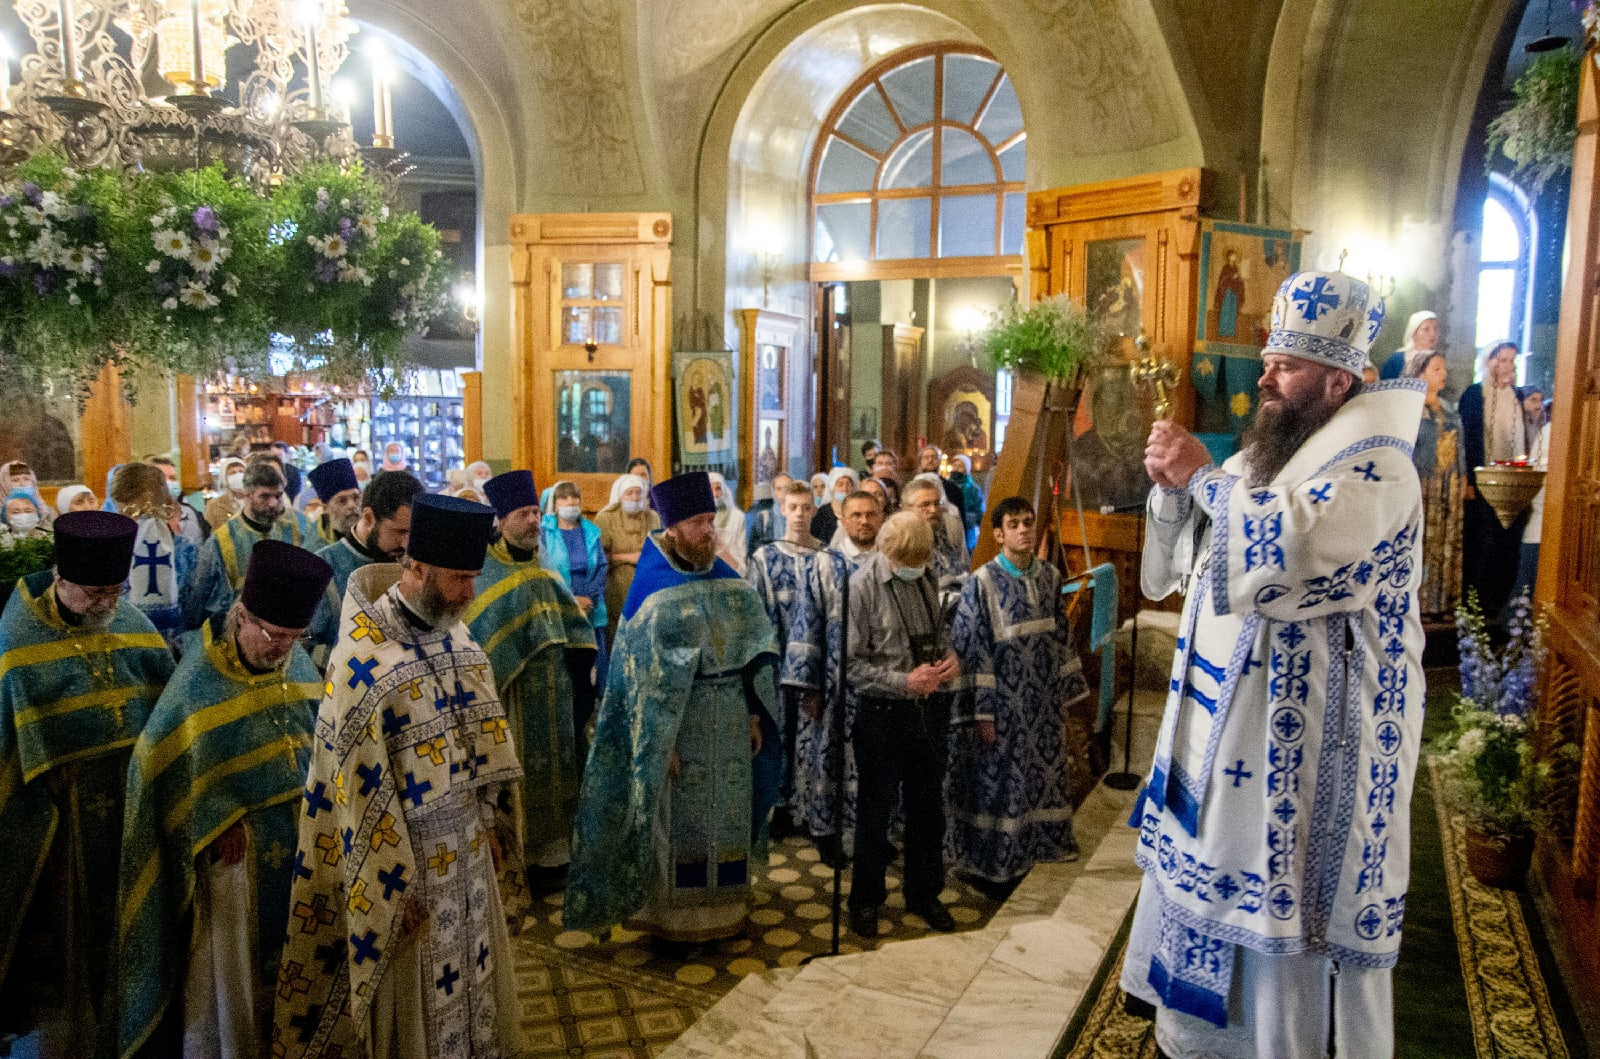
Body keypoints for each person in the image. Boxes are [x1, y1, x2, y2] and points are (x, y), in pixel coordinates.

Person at [1129, 270, 1424, 1056]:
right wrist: (1171, 490)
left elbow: (1290, 545)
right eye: (1268, 358)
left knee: (1283, 928)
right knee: (1225, 895)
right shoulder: (1282, 450)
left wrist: (1198, 474)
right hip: (1234, 748)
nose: (1264, 375)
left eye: (1285, 364)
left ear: (1338, 379)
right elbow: (1203, 556)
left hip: (1310, 761)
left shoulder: (1380, 466)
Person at [272, 495, 526, 1058]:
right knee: (417, 1002)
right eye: (459, 580)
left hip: (467, 849)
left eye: (474, 579)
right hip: (407, 866)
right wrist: (390, 883)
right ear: (417, 568)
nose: (469, 594)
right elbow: (352, 790)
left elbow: (480, 742)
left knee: (473, 979)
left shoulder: (455, 633)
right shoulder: (362, 658)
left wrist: (490, 821)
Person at [116, 541, 332, 1059]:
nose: (282, 648)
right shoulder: (197, 681)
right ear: (241, 615)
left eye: (293, 636)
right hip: (235, 870)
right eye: (272, 634)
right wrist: (210, 820)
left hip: (301, 846)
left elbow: (319, 746)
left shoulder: (297, 664)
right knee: (234, 987)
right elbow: (158, 773)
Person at [565, 471, 780, 949]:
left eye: (712, 521)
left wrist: (752, 714)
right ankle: (672, 919)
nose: (711, 532)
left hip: (727, 718)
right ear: (674, 528)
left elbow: (750, 651)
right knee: (677, 824)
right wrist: (656, 744)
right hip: (676, 728)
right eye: (701, 523)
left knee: (727, 814)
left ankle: (726, 908)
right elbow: (635, 684)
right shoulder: (651, 589)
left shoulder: (726, 579)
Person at [0, 511, 175, 1056]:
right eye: (95, 592)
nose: (108, 604)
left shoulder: (131, 623)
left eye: (116, 590)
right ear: (61, 577)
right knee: (68, 955)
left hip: (132, 810)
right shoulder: (15, 639)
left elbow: (169, 711)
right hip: (58, 823)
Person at [949, 497, 1087, 899]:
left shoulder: (1048, 576)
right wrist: (984, 712)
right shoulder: (982, 581)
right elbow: (974, 649)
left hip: (1041, 702)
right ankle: (996, 864)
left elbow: (1061, 635)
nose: (1024, 529)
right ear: (999, 534)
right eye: (1014, 524)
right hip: (1003, 704)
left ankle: (1041, 845)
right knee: (1003, 784)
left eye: (1028, 522)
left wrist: (1068, 692)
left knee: (1040, 777)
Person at [470, 471, 597, 888]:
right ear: (500, 521)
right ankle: (521, 858)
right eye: (521, 514)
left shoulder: (545, 572)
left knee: (560, 773)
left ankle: (556, 857)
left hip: (556, 697)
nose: (530, 521)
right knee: (521, 777)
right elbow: (481, 644)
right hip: (513, 701)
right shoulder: (485, 574)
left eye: (533, 512)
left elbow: (577, 635)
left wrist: (583, 690)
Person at [845, 510, 962, 938]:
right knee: (875, 812)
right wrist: (903, 681)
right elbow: (851, 667)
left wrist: (948, 659)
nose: (917, 567)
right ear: (890, 554)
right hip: (881, 714)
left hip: (926, 710)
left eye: (922, 560)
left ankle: (924, 893)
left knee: (927, 807)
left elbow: (937, 634)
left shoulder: (926, 577)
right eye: (909, 561)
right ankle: (865, 901)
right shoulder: (860, 588)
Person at [790, 489, 885, 864]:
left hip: (880, 683)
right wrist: (809, 686)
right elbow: (806, 624)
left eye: (871, 514)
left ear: (881, 517)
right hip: (833, 684)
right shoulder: (824, 564)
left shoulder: (889, 561)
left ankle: (871, 833)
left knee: (876, 761)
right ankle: (827, 831)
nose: (864, 521)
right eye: (856, 515)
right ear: (843, 520)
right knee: (829, 755)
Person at [746, 481, 824, 837]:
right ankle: (777, 806)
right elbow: (756, 613)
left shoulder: (826, 556)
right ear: (782, 508)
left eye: (806, 507)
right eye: (793, 507)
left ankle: (808, 807)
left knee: (812, 734)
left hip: (815, 667)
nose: (799, 514)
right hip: (776, 664)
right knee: (778, 732)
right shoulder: (765, 558)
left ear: (815, 510)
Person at [182, 460, 309, 630]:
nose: (273, 503)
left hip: (286, 628)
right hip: (240, 633)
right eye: (264, 496)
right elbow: (201, 597)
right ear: (247, 494)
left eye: (278, 496)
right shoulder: (223, 540)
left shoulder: (294, 527)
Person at [309, 470, 425, 653]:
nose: (407, 543)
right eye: (400, 532)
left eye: (413, 532)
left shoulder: (414, 562)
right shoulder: (321, 568)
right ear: (369, 518)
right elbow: (304, 649)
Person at [1459, 340, 1528, 620]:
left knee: (1505, 542)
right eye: (1502, 360)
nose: (1507, 367)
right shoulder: (1475, 394)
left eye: (1511, 361)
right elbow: (1466, 438)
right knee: (1481, 541)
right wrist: (1470, 480)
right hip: (1481, 480)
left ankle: (1498, 601)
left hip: (1509, 482)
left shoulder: (1516, 396)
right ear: (1489, 362)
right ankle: (1476, 600)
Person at [1405, 350, 1466, 617]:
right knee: (1423, 543)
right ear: (1420, 373)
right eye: (1437, 369)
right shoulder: (1409, 408)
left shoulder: (1449, 408)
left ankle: (1441, 602)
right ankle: (1418, 599)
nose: (1443, 374)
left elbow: (1460, 446)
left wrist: (1463, 477)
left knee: (1446, 540)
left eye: (1444, 368)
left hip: (1448, 483)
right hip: (1424, 482)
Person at [112, 462, 198, 650]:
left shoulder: (110, 551)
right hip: (177, 652)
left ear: (120, 503)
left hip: (124, 652)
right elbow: (197, 608)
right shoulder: (187, 549)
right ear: (165, 499)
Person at [541, 480, 611, 690]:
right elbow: (544, 570)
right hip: (559, 603)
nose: (570, 502)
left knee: (593, 663)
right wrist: (572, 600)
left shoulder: (591, 531)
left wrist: (589, 597)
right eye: (564, 498)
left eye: (574, 497)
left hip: (591, 604)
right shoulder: (544, 531)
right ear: (555, 503)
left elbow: (601, 566)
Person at [594, 472, 661, 646]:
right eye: (629, 493)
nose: (634, 497)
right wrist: (628, 557)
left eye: (638, 493)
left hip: (648, 584)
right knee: (617, 638)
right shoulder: (605, 518)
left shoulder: (652, 517)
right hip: (615, 586)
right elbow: (598, 558)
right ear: (619, 496)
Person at [904, 475, 970, 613]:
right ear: (907, 509)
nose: (933, 510)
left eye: (937, 503)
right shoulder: (904, 545)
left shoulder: (944, 535)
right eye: (925, 505)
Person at [151, 457, 207, 547]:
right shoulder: (145, 521)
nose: (168, 483)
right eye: (162, 479)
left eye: (173, 478)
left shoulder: (192, 513)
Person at [306, 456, 362, 546]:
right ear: (326, 508)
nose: (352, 505)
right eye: (342, 501)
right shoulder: (316, 546)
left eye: (356, 498)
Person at [1378, 308, 1438, 380]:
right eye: (1426, 329)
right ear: (1414, 334)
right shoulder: (1397, 359)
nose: (1433, 334)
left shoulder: (1439, 359)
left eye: (1435, 329)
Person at [744, 472, 792, 557]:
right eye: (778, 488)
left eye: (786, 488)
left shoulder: (803, 516)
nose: (783, 492)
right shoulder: (763, 518)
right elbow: (752, 552)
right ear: (774, 491)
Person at [709, 470, 748, 574]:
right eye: (710, 489)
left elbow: (742, 556)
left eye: (718, 489)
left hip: (734, 572)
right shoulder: (699, 520)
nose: (715, 494)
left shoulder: (737, 517)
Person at [809, 466, 859, 544]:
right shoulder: (823, 512)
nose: (845, 489)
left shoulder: (858, 510)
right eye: (840, 485)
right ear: (833, 488)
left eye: (849, 484)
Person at [1, 461, 53, 530]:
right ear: (4, 484)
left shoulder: (48, 512)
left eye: (26, 479)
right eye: (15, 480)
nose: (23, 484)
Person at [917, 444, 966, 517]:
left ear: (940, 461)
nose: (930, 460)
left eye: (934, 457)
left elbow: (959, 516)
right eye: (926, 457)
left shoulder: (952, 488)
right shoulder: (913, 486)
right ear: (920, 462)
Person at [948, 453, 984, 550]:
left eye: (960, 466)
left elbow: (979, 514)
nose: (956, 469)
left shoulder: (974, 489)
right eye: (955, 465)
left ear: (966, 469)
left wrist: (961, 516)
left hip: (967, 535)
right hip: (949, 533)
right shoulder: (946, 486)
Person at [203, 457, 247, 531]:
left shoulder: (256, 501)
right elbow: (208, 532)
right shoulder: (214, 505)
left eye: (241, 471)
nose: (238, 475)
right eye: (232, 473)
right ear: (224, 478)